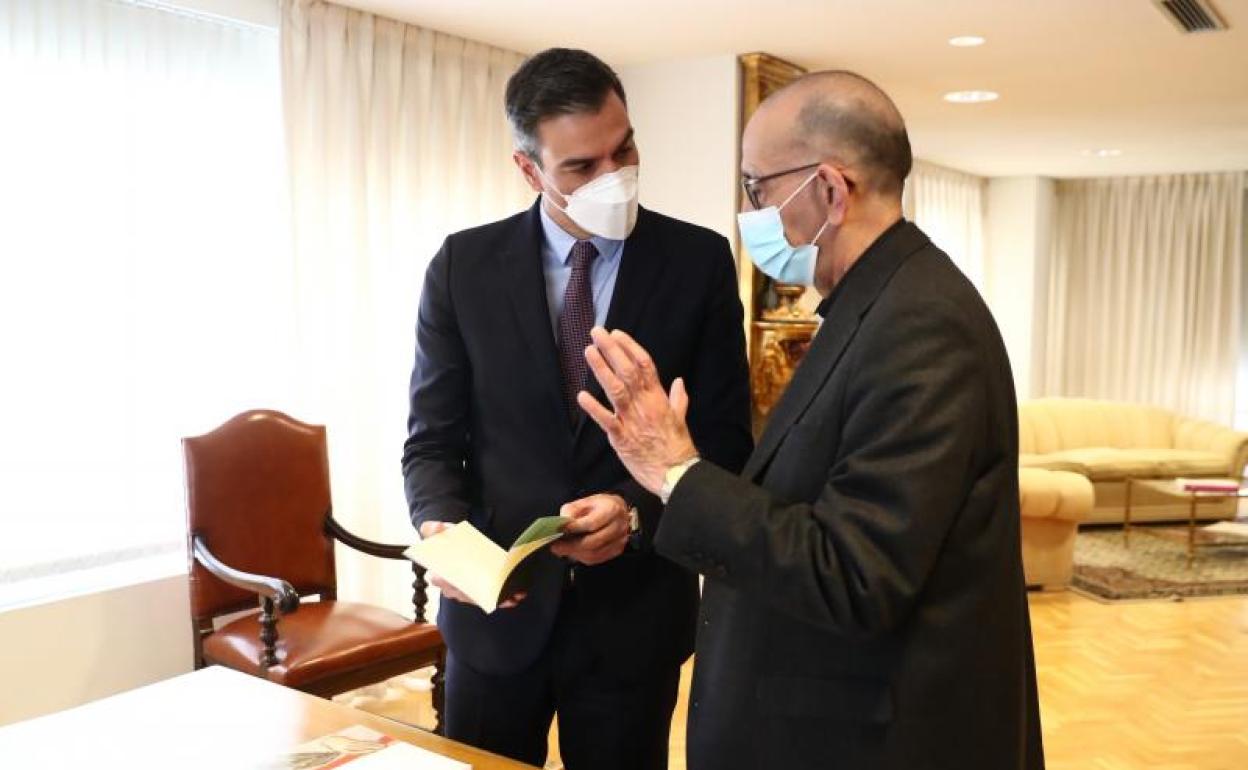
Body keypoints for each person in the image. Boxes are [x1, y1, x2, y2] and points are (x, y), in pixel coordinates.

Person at [577, 70, 1044, 770]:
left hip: (875, 736)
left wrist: (676, 472)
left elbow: (855, 574)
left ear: (829, 190)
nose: (754, 211)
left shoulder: (921, 325)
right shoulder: (877, 302)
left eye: (757, 188)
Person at [401, 47, 752, 770]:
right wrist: (441, 531)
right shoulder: (463, 267)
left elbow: (725, 442)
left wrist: (635, 514)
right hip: (496, 616)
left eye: (622, 149)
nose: (612, 176)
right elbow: (431, 443)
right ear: (529, 170)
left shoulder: (699, 263)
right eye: (581, 167)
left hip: (634, 619)